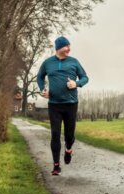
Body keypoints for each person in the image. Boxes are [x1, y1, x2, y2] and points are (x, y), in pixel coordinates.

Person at [37, 36, 89, 175]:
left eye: (69, 47)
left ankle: (68, 149)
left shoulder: (74, 62)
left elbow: (85, 77)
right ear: (59, 48)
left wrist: (76, 84)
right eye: (67, 47)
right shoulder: (48, 63)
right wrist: (43, 89)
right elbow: (40, 77)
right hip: (54, 105)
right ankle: (56, 166)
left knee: (69, 135)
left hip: (71, 104)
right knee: (55, 134)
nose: (69, 49)